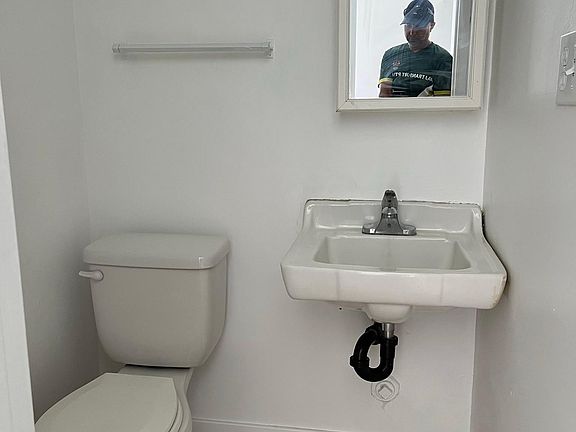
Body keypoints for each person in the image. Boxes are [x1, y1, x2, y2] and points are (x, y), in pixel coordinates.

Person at [379, 0, 453, 97]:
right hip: (393, 107)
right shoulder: (390, 55)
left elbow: (443, 101)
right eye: (408, 25)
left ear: (431, 26)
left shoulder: (443, 59)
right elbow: (384, 96)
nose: (412, 31)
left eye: (418, 26)